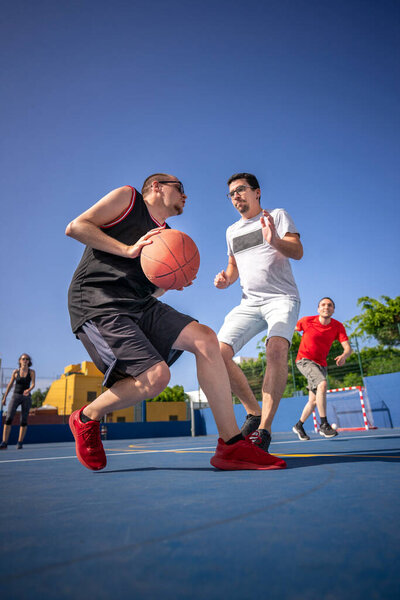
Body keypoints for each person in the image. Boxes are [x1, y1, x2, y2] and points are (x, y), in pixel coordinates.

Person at [66, 175, 286, 472]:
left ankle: (231, 446)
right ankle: (86, 417)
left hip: (139, 303)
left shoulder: (167, 235)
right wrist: (128, 250)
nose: (185, 195)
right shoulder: (128, 199)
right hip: (99, 302)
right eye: (180, 188)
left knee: (206, 338)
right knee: (156, 378)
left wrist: (170, 281)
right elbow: (76, 226)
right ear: (156, 186)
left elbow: (151, 286)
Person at [214, 173, 303, 452]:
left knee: (276, 350)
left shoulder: (276, 216)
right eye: (231, 193)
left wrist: (274, 240)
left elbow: (298, 251)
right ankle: (252, 411)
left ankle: (263, 430)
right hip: (249, 303)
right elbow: (233, 267)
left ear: (257, 192)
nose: (236, 196)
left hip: (281, 298)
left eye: (241, 190)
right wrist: (225, 279)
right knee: (217, 354)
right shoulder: (231, 231)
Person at [292, 297, 352, 440]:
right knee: (322, 384)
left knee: (313, 401)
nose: (326, 307)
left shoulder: (337, 326)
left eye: (330, 305)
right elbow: (289, 328)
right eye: (323, 305)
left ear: (333, 309)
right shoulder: (307, 321)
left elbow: (348, 348)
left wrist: (344, 355)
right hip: (304, 360)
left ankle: (299, 425)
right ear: (318, 309)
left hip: (321, 364)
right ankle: (324, 425)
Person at [1, 354, 35, 449]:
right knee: (8, 419)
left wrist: (29, 390)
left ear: (29, 361)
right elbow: (10, 385)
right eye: (23, 359)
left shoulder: (31, 372)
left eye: (27, 359)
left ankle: (20, 442)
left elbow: (33, 384)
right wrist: (4, 398)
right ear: (20, 361)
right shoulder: (15, 372)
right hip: (15, 396)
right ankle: (4, 442)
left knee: (23, 420)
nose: (25, 360)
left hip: (26, 397)